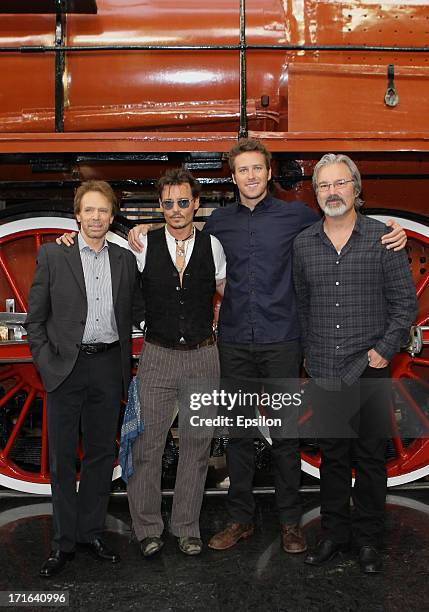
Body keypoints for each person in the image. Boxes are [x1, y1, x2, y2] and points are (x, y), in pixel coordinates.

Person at [128, 139, 407, 555]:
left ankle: (291, 522)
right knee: (238, 435)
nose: (251, 176)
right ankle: (241, 519)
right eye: (243, 170)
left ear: (269, 172)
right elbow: (181, 235)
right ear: (233, 176)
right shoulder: (219, 223)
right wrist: (143, 230)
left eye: (257, 168)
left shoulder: (297, 216)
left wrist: (393, 231)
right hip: (236, 341)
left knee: (286, 436)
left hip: (282, 340)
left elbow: (341, 220)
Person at [293, 154, 417, 573]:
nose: (332, 191)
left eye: (340, 183)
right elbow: (303, 304)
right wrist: (310, 354)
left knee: (368, 460)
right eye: (324, 185)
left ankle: (367, 541)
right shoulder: (305, 243)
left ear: (355, 189)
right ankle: (334, 536)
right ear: (316, 193)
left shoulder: (384, 239)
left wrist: (383, 351)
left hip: (370, 365)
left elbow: (405, 307)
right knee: (332, 459)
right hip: (326, 366)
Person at [25, 180, 144, 578]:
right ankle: (62, 544)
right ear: (77, 215)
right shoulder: (52, 255)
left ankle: (91, 533)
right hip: (65, 367)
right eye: (89, 210)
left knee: (100, 455)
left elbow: (137, 310)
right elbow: (35, 320)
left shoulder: (125, 260)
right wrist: (46, 363)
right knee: (61, 459)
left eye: (103, 211)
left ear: (112, 216)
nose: (96, 217)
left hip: (109, 366)